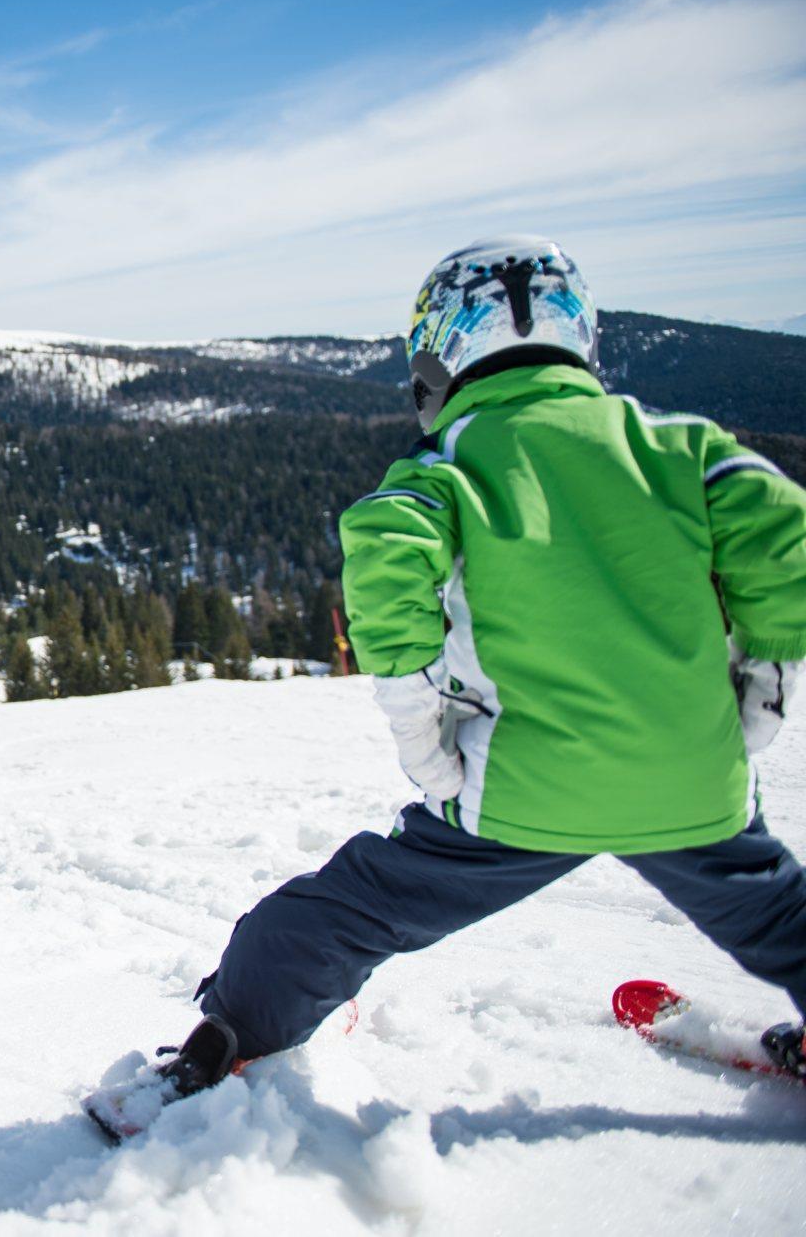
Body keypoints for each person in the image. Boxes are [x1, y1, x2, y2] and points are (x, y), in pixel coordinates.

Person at [86, 236, 806, 1138]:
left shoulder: (448, 470)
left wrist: (419, 728)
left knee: (345, 910)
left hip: (516, 798)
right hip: (695, 786)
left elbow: (386, 546)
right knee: (782, 912)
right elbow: (782, 532)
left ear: (441, 357)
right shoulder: (686, 451)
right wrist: (763, 688)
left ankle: (219, 1044)